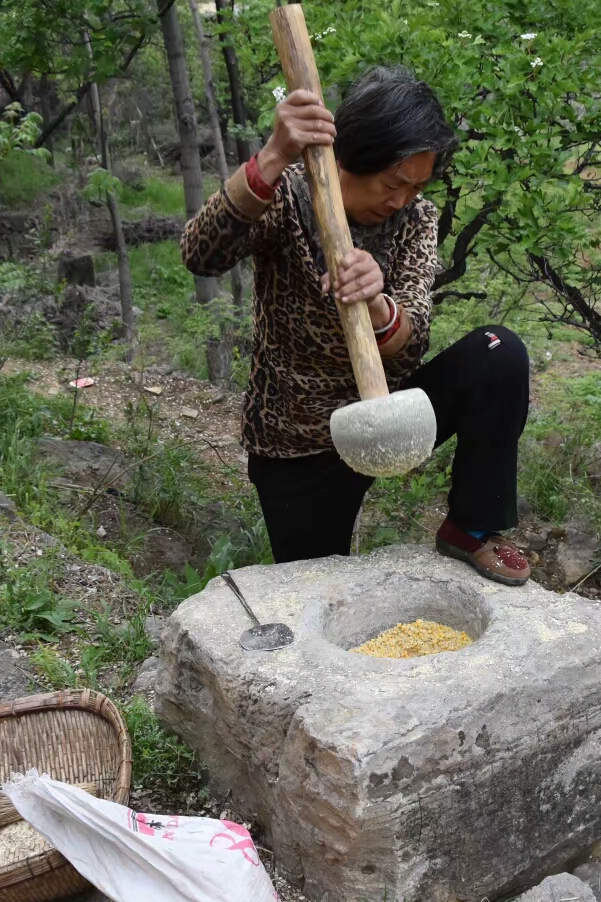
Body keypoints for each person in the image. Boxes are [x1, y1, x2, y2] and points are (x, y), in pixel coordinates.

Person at [180, 67, 531, 586]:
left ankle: (472, 528)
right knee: (320, 592)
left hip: (386, 414)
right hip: (300, 440)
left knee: (498, 351)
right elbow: (201, 255)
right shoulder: (288, 197)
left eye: (416, 186)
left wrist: (380, 307)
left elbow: (412, 341)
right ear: (351, 156)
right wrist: (272, 156)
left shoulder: (415, 219)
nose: (401, 199)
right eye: (393, 183)